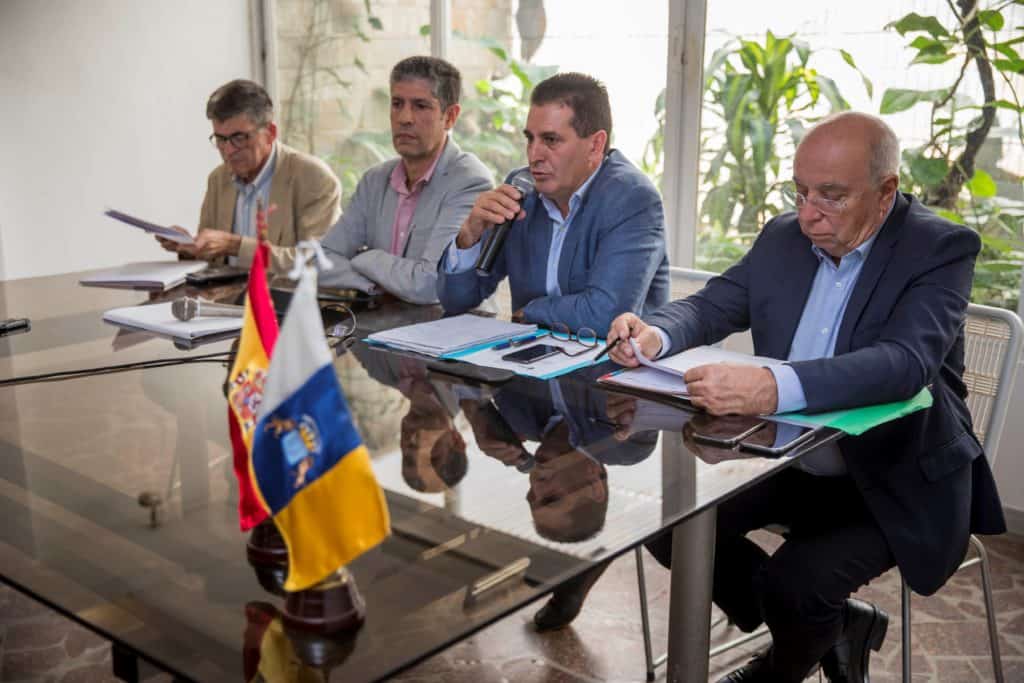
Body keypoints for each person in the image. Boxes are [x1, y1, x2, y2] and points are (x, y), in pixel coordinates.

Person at [606, 112, 1006, 683]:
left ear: (886, 190)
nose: (808, 212)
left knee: (799, 582)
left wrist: (772, 387)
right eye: (800, 191)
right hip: (793, 460)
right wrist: (657, 333)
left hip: (894, 475)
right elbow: (714, 303)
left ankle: (784, 655)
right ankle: (825, 625)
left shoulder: (938, 247)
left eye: (832, 196)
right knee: (673, 531)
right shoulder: (784, 237)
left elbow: (906, 363)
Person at [436, 72, 670, 336]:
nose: (534, 154)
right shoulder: (521, 187)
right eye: (530, 139)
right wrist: (469, 235)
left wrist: (531, 311)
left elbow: (607, 314)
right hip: (532, 362)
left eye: (551, 140)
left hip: (613, 366)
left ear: (595, 145)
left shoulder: (633, 198)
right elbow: (455, 300)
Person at [318, 56, 492, 304]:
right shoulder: (375, 180)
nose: (404, 118)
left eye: (420, 106)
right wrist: (373, 285)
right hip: (383, 321)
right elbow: (321, 259)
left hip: (450, 330)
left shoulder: (469, 181)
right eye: (397, 104)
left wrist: (367, 258)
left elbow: (431, 284)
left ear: (451, 116)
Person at [158, 79, 341, 273]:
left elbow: (317, 262)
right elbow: (210, 264)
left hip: (283, 302)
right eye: (220, 139)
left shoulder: (313, 178)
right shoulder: (218, 179)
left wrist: (236, 246)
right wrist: (189, 248)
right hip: (227, 301)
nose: (228, 151)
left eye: (239, 138)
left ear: (270, 133)